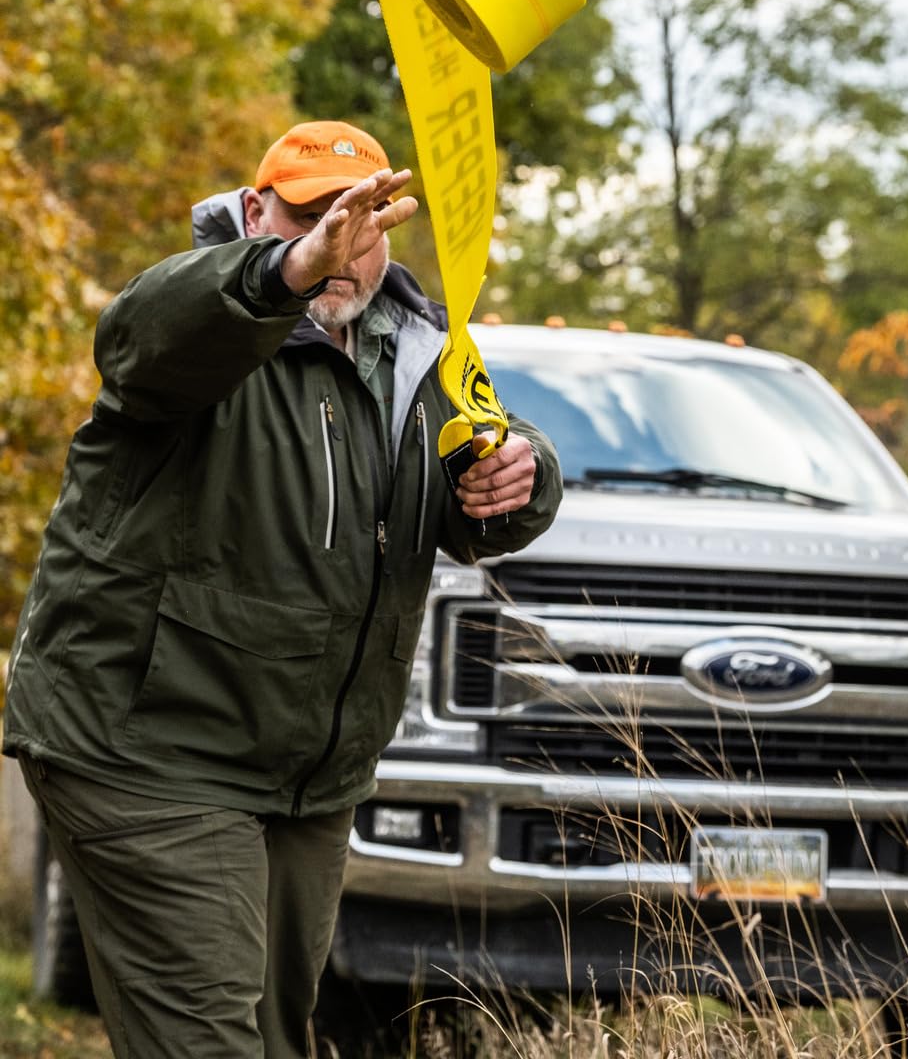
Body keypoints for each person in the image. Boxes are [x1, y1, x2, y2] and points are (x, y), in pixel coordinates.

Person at [3, 119, 562, 1059]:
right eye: (314, 217)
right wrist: (289, 268)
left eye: (366, 219)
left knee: (273, 1038)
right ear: (257, 212)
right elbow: (141, 337)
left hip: (308, 777)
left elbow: (480, 496)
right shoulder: (203, 323)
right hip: (146, 752)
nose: (344, 243)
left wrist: (520, 477)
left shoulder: (417, 353)